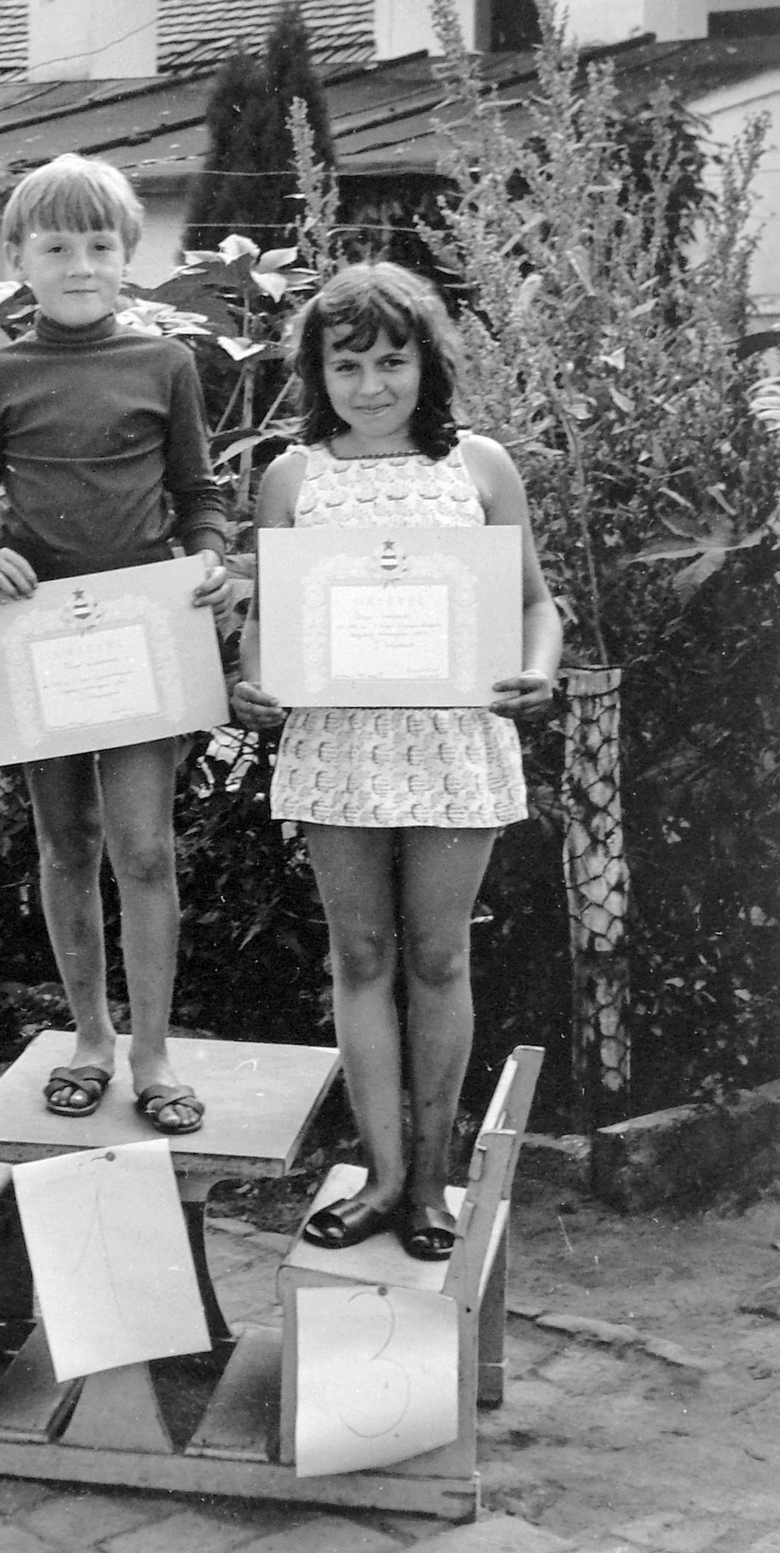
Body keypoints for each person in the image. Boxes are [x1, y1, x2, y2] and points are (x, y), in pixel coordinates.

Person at [233, 262, 562, 1257]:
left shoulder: (479, 467)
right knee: (360, 956)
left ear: (426, 361)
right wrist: (252, 684)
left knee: (435, 954)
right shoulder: (292, 478)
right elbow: (266, 623)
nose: (370, 385)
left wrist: (538, 671)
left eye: (390, 360)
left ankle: (430, 1182)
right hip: (337, 742)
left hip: (454, 737)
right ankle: (378, 1174)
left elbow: (532, 603)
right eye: (348, 364)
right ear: (315, 371)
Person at [0, 154, 231, 1134]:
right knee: (64, 845)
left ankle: (153, 1052)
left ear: (128, 256)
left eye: (98, 244)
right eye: (55, 245)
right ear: (16, 256)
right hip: (37, 647)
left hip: (141, 641)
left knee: (144, 849)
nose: (78, 263)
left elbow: (201, 499)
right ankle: (90, 1038)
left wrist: (205, 560)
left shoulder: (164, 364)